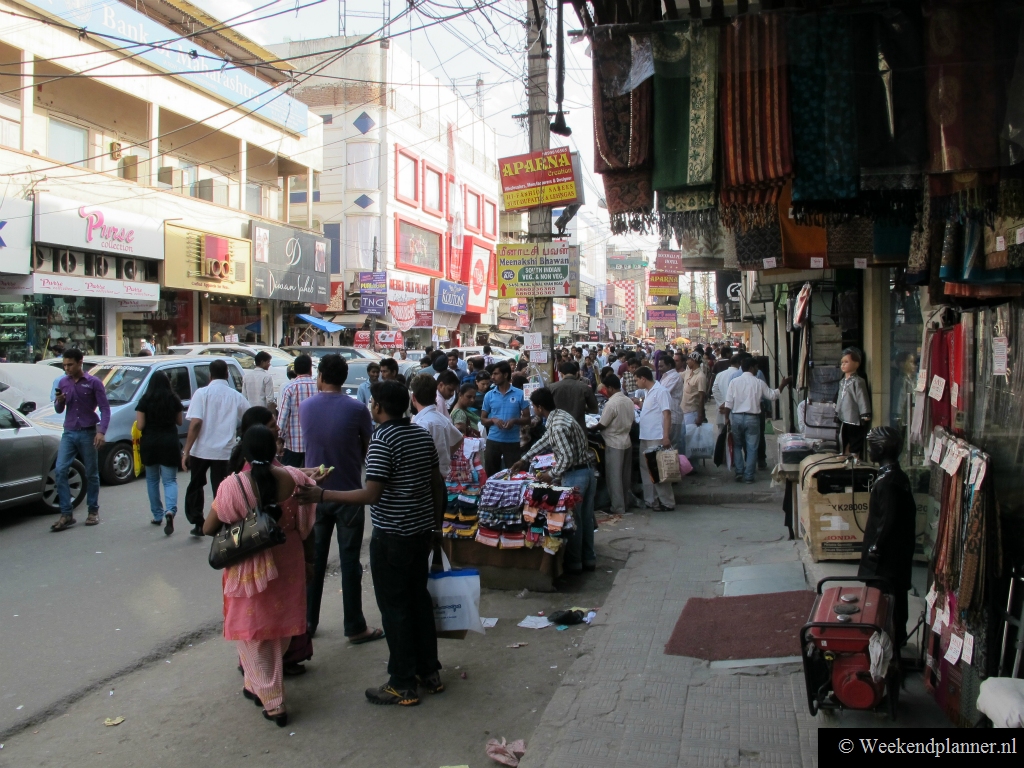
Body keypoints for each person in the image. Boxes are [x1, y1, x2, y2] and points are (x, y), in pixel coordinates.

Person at [296, 380, 446, 706]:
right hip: (420, 535)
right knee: (418, 602)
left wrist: (323, 494)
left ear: (377, 406)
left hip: (393, 538)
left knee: (396, 609)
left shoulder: (382, 439)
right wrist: (436, 528)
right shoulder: (420, 434)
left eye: (372, 403)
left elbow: (371, 494)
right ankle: (428, 672)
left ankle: (402, 683)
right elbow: (438, 485)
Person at [204, 425, 317, 727]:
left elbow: (209, 528)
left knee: (253, 633)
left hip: (250, 568)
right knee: (278, 631)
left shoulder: (234, 485)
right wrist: (309, 562)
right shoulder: (295, 479)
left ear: (244, 451)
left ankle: (273, 701)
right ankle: (255, 685)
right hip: (288, 561)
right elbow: (307, 528)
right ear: (275, 450)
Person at [300, 354, 383, 645]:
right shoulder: (358, 408)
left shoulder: (306, 407)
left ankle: (307, 623)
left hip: (314, 494)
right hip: (349, 494)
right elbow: (367, 445)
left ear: (320, 375)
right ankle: (354, 625)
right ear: (344, 377)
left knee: (315, 560)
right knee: (350, 562)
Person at [511, 387, 597, 574]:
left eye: (533, 406)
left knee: (573, 521)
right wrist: (525, 459)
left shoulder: (557, 425)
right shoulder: (559, 416)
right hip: (587, 471)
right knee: (585, 520)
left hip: (576, 475)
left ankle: (575, 564)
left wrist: (552, 474)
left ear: (540, 407)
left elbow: (565, 458)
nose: (533, 409)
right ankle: (588, 559)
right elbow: (546, 440)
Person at [857, 426, 916, 649]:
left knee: (885, 606)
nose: (869, 451)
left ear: (881, 450)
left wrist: (875, 546)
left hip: (887, 563)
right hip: (893, 561)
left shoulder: (889, 483)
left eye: (872, 446)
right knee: (893, 604)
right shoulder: (893, 477)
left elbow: (888, 520)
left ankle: (889, 647)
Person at [183, 359, 249, 536]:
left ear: (210, 375)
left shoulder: (202, 393)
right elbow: (249, 417)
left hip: (201, 449)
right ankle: (222, 520)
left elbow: (196, 423)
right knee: (220, 488)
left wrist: (186, 450)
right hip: (225, 451)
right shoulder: (235, 396)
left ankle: (198, 522)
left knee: (196, 485)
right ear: (227, 374)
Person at [50, 348, 110, 531]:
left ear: (80, 363)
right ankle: (66, 514)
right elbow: (59, 409)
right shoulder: (63, 382)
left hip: (88, 431)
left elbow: (105, 409)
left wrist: (101, 432)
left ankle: (93, 510)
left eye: (70, 365)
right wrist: (59, 400)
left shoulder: (93, 383)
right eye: (64, 365)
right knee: (60, 470)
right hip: (69, 431)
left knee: (91, 472)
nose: (67, 368)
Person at [723, 358, 791, 484]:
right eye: (756, 367)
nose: (757, 369)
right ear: (751, 368)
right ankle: (749, 476)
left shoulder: (734, 382)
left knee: (737, 445)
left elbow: (728, 403)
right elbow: (772, 395)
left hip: (736, 417)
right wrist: (783, 385)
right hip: (752, 418)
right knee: (752, 447)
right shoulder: (758, 382)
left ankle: (739, 471)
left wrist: (726, 418)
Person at [135, 371, 184, 534]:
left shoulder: (145, 400)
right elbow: (179, 421)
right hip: (169, 440)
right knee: (170, 480)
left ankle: (157, 514)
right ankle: (170, 511)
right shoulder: (174, 399)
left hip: (150, 441)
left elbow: (140, 426)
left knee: (152, 479)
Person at [593, 374, 637, 515]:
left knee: (614, 478)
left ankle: (617, 507)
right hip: (626, 440)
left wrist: (590, 427)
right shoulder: (628, 401)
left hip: (613, 442)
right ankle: (625, 503)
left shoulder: (612, 403)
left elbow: (602, 424)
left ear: (610, 388)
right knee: (625, 477)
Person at [634, 366, 675, 511]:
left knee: (658, 471)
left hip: (656, 436)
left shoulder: (661, 391)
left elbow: (667, 414)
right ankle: (652, 501)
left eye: (637, 379)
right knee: (646, 470)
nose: (636, 383)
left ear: (643, 379)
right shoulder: (648, 392)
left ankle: (667, 502)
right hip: (645, 435)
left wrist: (665, 436)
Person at [480, 361, 531, 476]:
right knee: (491, 474)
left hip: (512, 442)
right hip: (493, 441)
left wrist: (514, 421)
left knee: (513, 475)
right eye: (492, 374)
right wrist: (493, 420)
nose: (492, 377)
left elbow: (527, 419)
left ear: (505, 375)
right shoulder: (489, 395)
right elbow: (483, 419)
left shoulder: (519, 394)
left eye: (496, 374)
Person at [410, 374, 463, 477]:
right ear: (435, 396)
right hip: (440, 476)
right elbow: (459, 438)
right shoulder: (441, 418)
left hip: (427, 479)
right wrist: (446, 455)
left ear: (413, 397)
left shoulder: (421, 423)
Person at [277, 354, 317, 468]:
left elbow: (283, 417)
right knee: (313, 479)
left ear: (295, 370)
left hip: (293, 444)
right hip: (314, 444)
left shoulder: (290, 388)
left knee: (290, 478)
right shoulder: (319, 387)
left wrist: (279, 439)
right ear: (310, 369)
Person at [836, 347, 872, 457]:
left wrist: (865, 413)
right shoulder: (842, 381)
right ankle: (844, 452)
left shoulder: (858, 381)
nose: (843, 365)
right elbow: (839, 397)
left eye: (846, 362)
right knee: (843, 434)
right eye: (842, 362)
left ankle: (854, 453)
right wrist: (837, 410)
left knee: (855, 435)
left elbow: (862, 397)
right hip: (843, 414)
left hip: (853, 415)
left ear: (856, 364)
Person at [549, 361, 599, 430]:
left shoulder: (551, 388)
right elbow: (595, 410)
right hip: (579, 429)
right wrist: (581, 407)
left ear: (561, 374)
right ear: (576, 374)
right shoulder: (585, 387)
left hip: (558, 429)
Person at [658, 355, 685, 454]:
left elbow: (661, 394)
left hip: (672, 417)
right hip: (668, 417)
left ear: (669, 365)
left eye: (661, 366)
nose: (659, 369)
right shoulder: (666, 377)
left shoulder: (674, 376)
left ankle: (673, 469)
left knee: (671, 450)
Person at [681, 352, 707, 441]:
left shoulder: (700, 377)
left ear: (694, 361)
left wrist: (700, 415)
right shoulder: (688, 373)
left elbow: (701, 397)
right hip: (684, 410)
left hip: (692, 412)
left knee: (690, 438)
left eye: (689, 359)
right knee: (684, 437)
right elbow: (676, 376)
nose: (687, 361)